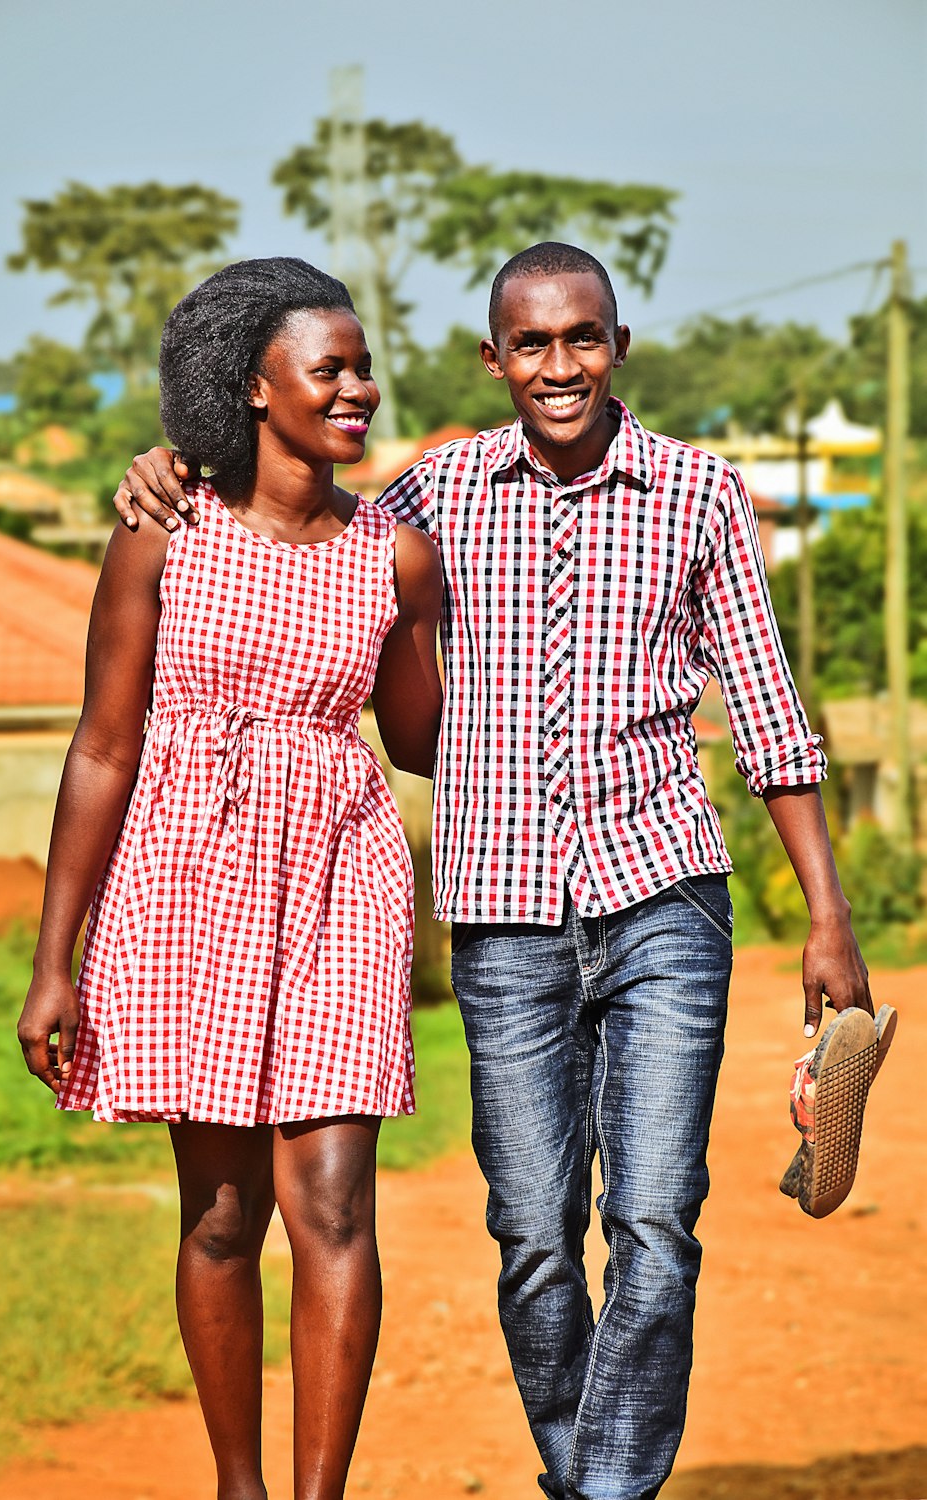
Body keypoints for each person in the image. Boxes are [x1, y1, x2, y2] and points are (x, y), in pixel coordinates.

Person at [113, 243, 873, 1500]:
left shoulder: (700, 494)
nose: (559, 365)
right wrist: (177, 464)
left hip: (664, 897)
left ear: (618, 345)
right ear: (493, 359)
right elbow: (295, 509)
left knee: (653, 1225)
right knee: (531, 1238)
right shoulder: (435, 494)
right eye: (532, 344)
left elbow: (772, 712)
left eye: (583, 338)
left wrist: (827, 915)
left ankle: (606, 1488)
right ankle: (582, 1471)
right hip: (504, 919)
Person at [18, 256, 443, 1500]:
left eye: (364, 366)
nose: (358, 387)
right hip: (184, 869)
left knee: (335, 1203)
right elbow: (102, 745)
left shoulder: (395, 557)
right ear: (254, 389)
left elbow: (416, 738)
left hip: (339, 869)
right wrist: (57, 960)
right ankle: (237, 1489)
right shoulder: (162, 533)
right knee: (218, 1214)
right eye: (331, 368)